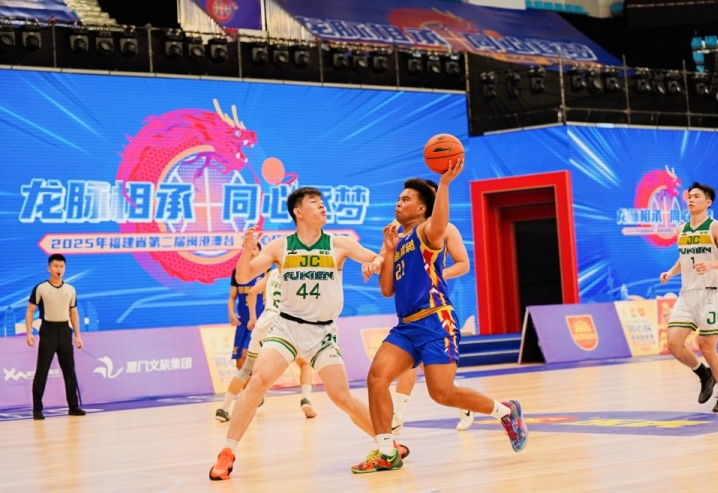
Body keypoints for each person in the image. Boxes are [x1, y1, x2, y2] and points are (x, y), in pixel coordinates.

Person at [209, 186, 408, 481]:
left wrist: (376, 261)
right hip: (286, 328)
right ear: (298, 212)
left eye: (322, 202)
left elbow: (377, 261)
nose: (322, 206)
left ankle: (387, 444)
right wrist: (245, 252)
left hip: (322, 332)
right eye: (314, 202)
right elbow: (243, 276)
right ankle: (227, 452)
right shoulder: (280, 246)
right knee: (257, 382)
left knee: (341, 396)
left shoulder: (339, 244)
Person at [353, 163, 528, 474]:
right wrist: (389, 252)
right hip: (407, 327)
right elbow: (386, 290)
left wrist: (444, 184)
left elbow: (440, 222)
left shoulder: (428, 232)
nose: (398, 203)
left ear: (422, 208)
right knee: (376, 378)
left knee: (442, 393)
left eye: (406, 199)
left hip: (436, 321)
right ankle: (387, 452)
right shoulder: (398, 241)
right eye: (398, 198)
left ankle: (505, 411)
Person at [388, 179, 475, 434]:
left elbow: (463, 264)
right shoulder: (400, 227)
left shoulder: (445, 228)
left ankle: (398, 414)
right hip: (409, 303)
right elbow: (389, 258)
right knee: (417, 361)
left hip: (433, 303)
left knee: (416, 362)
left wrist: (436, 275)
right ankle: (458, 401)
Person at [660, 182, 718, 412]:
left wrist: (711, 264)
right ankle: (704, 374)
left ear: (708, 202)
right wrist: (671, 272)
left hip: (711, 294)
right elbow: (684, 258)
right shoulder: (681, 229)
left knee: (706, 346)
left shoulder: (715, 227)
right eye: (690, 196)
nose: (691, 200)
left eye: (696, 196)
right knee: (673, 343)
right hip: (687, 295)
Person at [215, 266, 318, 422]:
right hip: (284, 324)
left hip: (264, 322)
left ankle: (223, 409)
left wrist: (253, 318)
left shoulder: (272, 273)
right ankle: (306, 399)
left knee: (246, 369)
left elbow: (251, 293)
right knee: (304, 364)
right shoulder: (299, 275)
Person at [25, 254, 86, 420]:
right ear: (49, 268)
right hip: (48, 331)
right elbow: (30, 311)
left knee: (69, 371)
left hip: (65, 331)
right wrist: (29, 333)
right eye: (56, 266)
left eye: (61, 266)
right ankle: (37, 409)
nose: (59, 269)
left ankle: (73, 407)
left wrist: (78, 336)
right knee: (42, 370)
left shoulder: (70, 289)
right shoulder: (41, 288)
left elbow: (73, 312)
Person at [229, 243, 264, 371]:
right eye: (249, 249)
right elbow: (232, 297)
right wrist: (231, 312)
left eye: (254, 249)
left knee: (246, 354)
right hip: (242, 322)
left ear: (260, 252)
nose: (252, 252)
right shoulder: (238, 272)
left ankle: (254, 384)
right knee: (239, 362)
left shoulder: (267, 272)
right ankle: (247, 384)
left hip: (258, 323)